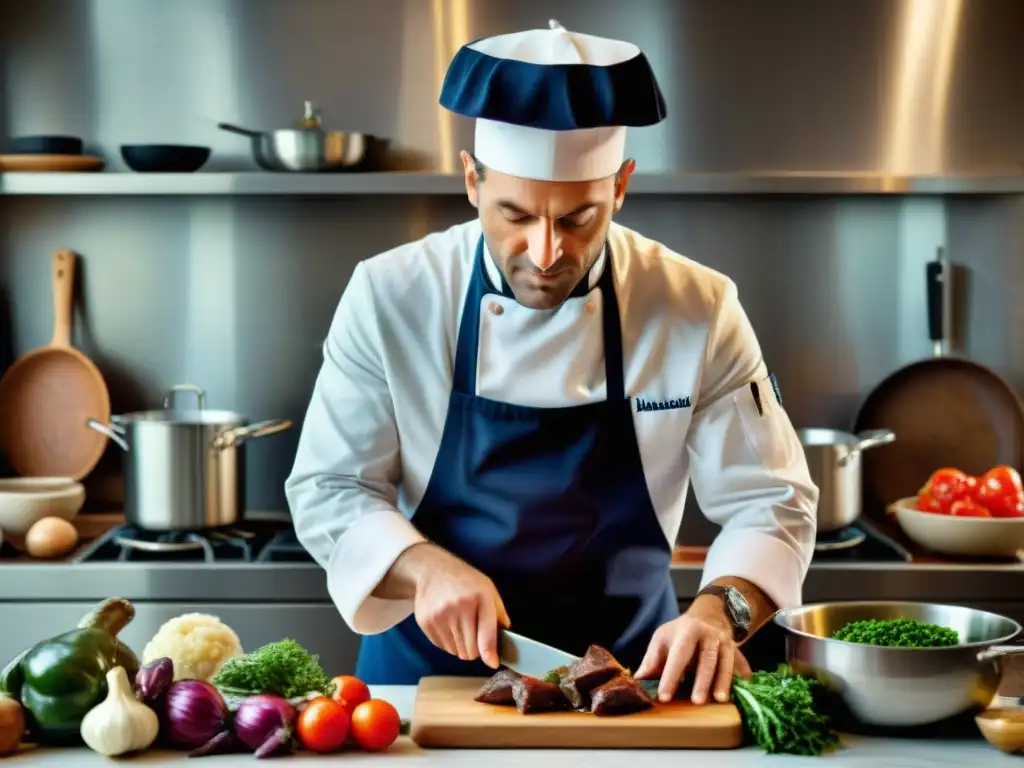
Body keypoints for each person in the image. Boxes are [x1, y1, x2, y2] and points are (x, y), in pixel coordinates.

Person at [286, 20, 818, 706]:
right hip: (426, 685)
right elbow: (330, 485)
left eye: (576, 219)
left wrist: (721, 613)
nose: (544, 252)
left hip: (630, 688)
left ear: (621, 187)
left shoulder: (698, 306)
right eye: (514, 215)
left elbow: (770, 499)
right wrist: (423, 570)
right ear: (472, 180)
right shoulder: (392, 295)